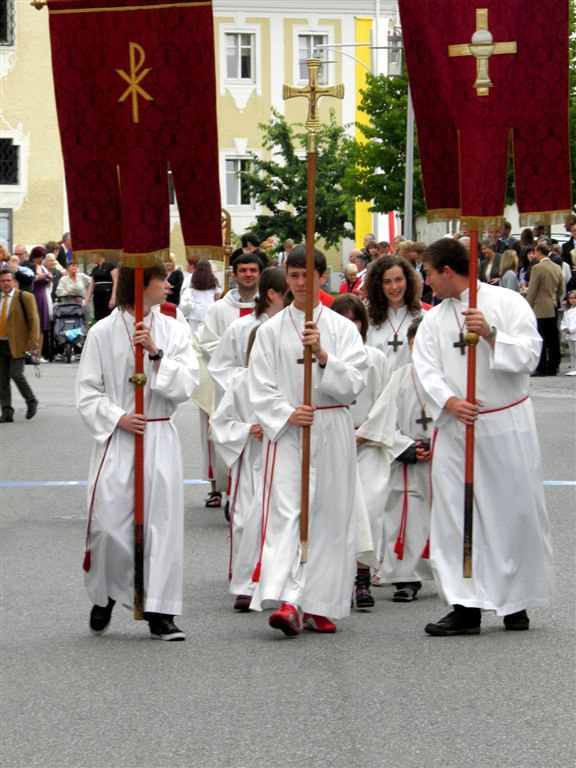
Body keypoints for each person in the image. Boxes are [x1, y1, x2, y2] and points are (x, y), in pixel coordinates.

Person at [412, 237, 553, 636]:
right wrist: (450, 402)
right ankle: (465, 605)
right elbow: (425, 369)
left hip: (505, 425)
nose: (426, 281)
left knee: (513, 512)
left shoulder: (507, 303)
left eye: (428, 273)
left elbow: (531, 355)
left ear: (447, 271)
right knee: (456, 516)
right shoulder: (434, 321)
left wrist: (491, 335)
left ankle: (516, 602)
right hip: (458, 428)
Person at [247, 245, 368, 636]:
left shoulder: (343, 329)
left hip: (330, 427)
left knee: (329, 516)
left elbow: (355, 383)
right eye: (294, 276)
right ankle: (289, 599)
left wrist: (323, 355)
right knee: (289, 514)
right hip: (290, 432)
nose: (300, 283)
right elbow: (259, 384)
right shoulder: (270, 331)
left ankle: (321, 602)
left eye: (307, 275)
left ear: (322, 277)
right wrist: (286, 412)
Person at [76, 262, 198, 640]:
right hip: (120, 437)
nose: (169, 286)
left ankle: (160, 611)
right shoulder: (102, 332)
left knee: (160, 526)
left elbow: (186, 384)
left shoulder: (175, 329)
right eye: (162, 280)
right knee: (108, 525)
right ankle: (107, 594)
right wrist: (118, 417)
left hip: (159, 434)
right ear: (141, 283)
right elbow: (87, 391)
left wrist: (155, 354)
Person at [363, 316, 433, 603]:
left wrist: (437, 443)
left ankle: (453, 576)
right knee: (405, 517)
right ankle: (405, 578)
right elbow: (383, 419)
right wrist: (406, 447)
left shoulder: (450, 378)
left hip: (443, 458)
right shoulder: (400, 377)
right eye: (414, 344)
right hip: (408, 459)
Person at [331, 294, 392, 610]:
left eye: (355, 319)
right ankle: (334, 579)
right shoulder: (323, 360)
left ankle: (363, 579)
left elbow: (386, 401)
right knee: (335, 512)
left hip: (367, 443)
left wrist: (365, 432)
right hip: (334, 442)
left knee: (368, 508)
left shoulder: (375, 358)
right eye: (343, 319)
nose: (350, 325)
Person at [194, 253, 260, 507]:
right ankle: (217, 488)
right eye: (243, 270)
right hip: (225, 381)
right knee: (219, 433)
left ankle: (252, 488)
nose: (248, 274)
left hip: (259, 381)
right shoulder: (219, 308)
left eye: (253, 270)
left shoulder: (267, 306)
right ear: (234, 274)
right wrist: (235, 364)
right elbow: (208, 342)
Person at [365, 254, 422, 369]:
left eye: (398, 279)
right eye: (387, 281)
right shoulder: (368, 320)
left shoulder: (423, 318)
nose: (394, 287)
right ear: (378, 285)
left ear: (408, 280)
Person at [0, 268, 40, 422]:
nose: (6, 283)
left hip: (19, 344)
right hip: (1, 343)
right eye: (2, 281)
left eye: (8, 280)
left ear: (14, 282)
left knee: (16, 374)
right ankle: (6, 412)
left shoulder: (25, 297)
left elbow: (34, 321)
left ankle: (31, 401)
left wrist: (32, 343)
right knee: (2, 380)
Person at [526, 244, 564, 376]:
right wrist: (554, 297)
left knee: (540, 337)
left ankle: (541, 367)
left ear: (539, 252)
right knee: (553, 337)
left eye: (535, 252)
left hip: (540, 306)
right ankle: (554, 366)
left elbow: (533, 289)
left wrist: (528, 305)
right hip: (552, 304)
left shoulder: (537, 268)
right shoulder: (557, 267)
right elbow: (561, 288)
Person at [179, 258, 220, 336]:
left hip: (194, 310)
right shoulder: (213, 280)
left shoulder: (190, 279)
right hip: (208, 310)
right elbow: (217, 296)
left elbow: (183, 292)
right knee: (206, 335)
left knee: (193, 334)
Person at [26, 246, 52, 360]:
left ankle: (39, 354)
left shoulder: (43, 267)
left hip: (42, 297)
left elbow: (48, 282)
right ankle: (30, 352)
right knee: (32, 325)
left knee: (41, 326)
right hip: (33, 295)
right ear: (35, 256)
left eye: (42, 257)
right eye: (40, 257)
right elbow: (28, 279)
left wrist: (49, 277)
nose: (41, 259)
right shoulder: (29, 266)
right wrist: (38, 277)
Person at [83, 254, 118, 322]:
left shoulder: (111, 266)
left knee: (109, 317)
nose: (92, 258)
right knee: (99, 317)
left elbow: (116, 282)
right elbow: (91, 286)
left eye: (93, 255)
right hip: (98, 297)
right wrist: (86, 301)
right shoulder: (95, 269)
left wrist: (113, 298)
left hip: (108, 295)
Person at [560, 289, 576, 375]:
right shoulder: (567, 311)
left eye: (574, 298)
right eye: (571, 298)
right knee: (572, 353)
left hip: (574, 334)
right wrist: (564, 328)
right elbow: (563, 321)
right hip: (569, 335)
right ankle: (573, 367)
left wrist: (571, 330)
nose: (573, 300)